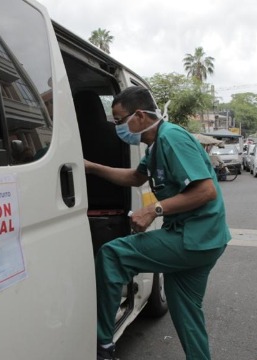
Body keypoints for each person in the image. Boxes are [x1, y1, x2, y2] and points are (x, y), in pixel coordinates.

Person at [85, 86, 231, 360]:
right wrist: (92, 167)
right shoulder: (155, 147)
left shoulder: (172, 138)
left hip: (193, 238)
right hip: (207, 240)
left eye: (119, 121)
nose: (117, 127)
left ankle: (102, 345)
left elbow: (205, 191)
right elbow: (134, 178)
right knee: (186, 313)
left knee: (112, 255)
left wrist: (154, 209)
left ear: (139, 115)